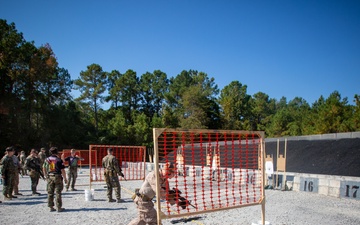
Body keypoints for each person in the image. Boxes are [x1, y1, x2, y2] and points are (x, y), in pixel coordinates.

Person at [43, 147, 67, 212]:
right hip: (57, 176)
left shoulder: (47, 159)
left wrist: (45, 176)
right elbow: (62, 170)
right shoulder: (59, 160)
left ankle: (51, 207)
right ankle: (59, 207)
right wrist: (65, 178)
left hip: (50, 176)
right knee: (58, 192)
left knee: (50, 192)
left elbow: (44, 168)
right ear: (57, 152)